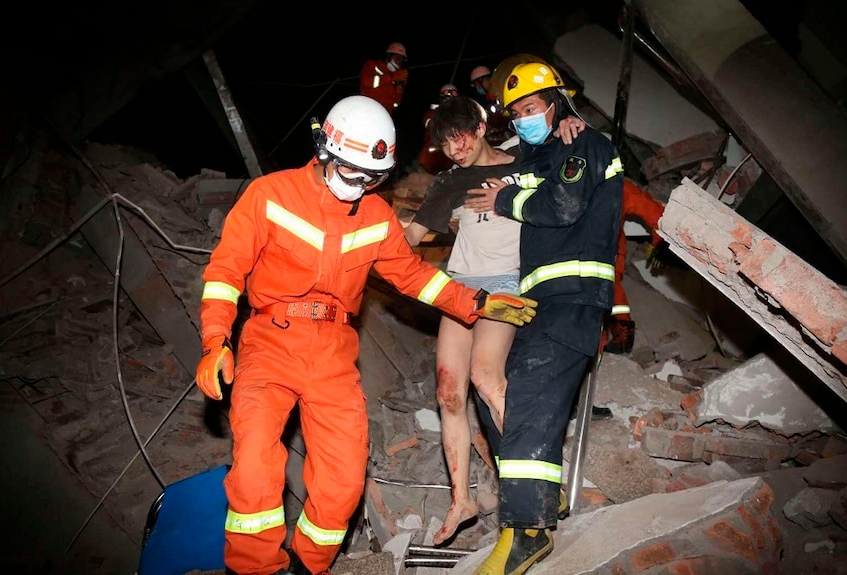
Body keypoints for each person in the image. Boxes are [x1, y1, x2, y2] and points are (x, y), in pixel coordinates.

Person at [193, 94, 538, 575]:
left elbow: (413, 274)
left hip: (334, 351)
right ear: (323, 151)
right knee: (254, 466)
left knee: (344, 478)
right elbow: (226, 272)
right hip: (270, 341)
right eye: (352, 174)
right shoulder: (270, 196)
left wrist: (475, 303)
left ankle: (307, 567)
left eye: (372, 178)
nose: (360, 187)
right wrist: (215, 342)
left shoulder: (374, 215)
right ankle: (255, 569)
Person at [464, 62, 623, 574]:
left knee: (530, 393)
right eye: (516, 113)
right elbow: (516, 170)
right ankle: (543, 495)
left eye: (532, 108)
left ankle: (528, 532)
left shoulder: (586, 144)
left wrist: (507, 199)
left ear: (559, 103)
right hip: (540, 300)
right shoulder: (545, 152)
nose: (524, 118)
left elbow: (565, 203)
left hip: (574, 297)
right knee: (495, 392)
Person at [407, 96, 586, 546]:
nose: (454, 147)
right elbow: (409, 237)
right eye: (445, 143)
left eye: (460, 135)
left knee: (487, 378)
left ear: (481, 127)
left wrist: (570, 127)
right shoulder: (448, 181)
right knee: (449, 393)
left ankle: (540, 482)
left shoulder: (525, 161)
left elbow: (568, 169)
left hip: (506, 284)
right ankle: (461, 500)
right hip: (460, 287)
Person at [605, 178, 666, 354]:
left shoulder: (617, 186)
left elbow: (655, 213)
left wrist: (660, 243)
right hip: (577, 258)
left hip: (607, 256)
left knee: (610, 293)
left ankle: (621, 334)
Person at [417, 83, 459, 175]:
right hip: (431, 162)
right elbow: (430, 124)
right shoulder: (433, 114)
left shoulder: (459, 116)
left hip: (451, 163)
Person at [359, 42, 409, 115]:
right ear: (388, 56)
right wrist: (392, 77)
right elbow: (366, 82)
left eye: (401, 60)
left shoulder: (396, 78)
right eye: (397, 58)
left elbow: (395, 105)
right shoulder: (372, 64)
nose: (399, 62)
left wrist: (399, 90)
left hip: (385, 116)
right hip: (368, 111)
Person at [469, 65, 513, 147]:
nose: (477, 87)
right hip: (499, 142)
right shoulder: (484, 102)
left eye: (477, 84)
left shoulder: (502, 93)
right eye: (475, 85)